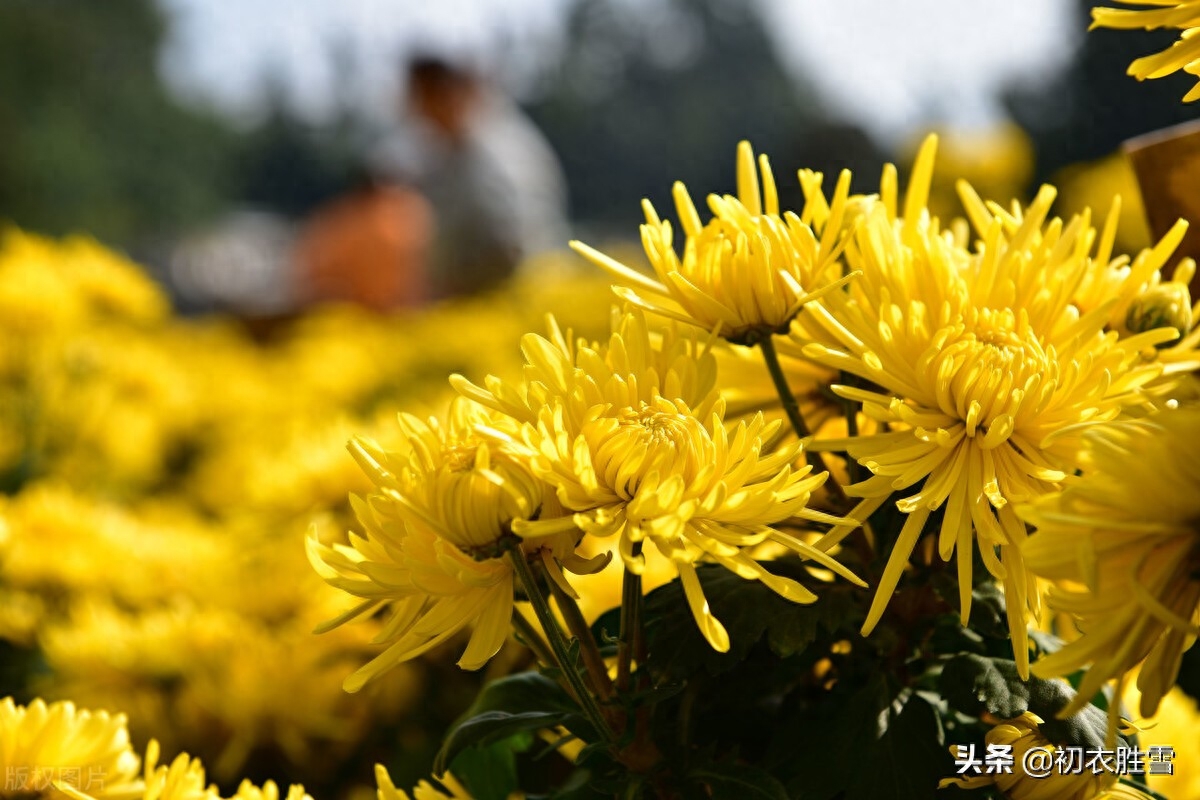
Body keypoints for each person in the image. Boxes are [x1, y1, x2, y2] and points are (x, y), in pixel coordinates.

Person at [385, 54, 570, 299]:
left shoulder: (495, 150)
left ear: (444, 93)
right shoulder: (449, 152)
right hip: (498, 294)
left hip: (523, 293)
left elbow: (506, 241)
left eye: (419, 96)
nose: (414, 110)